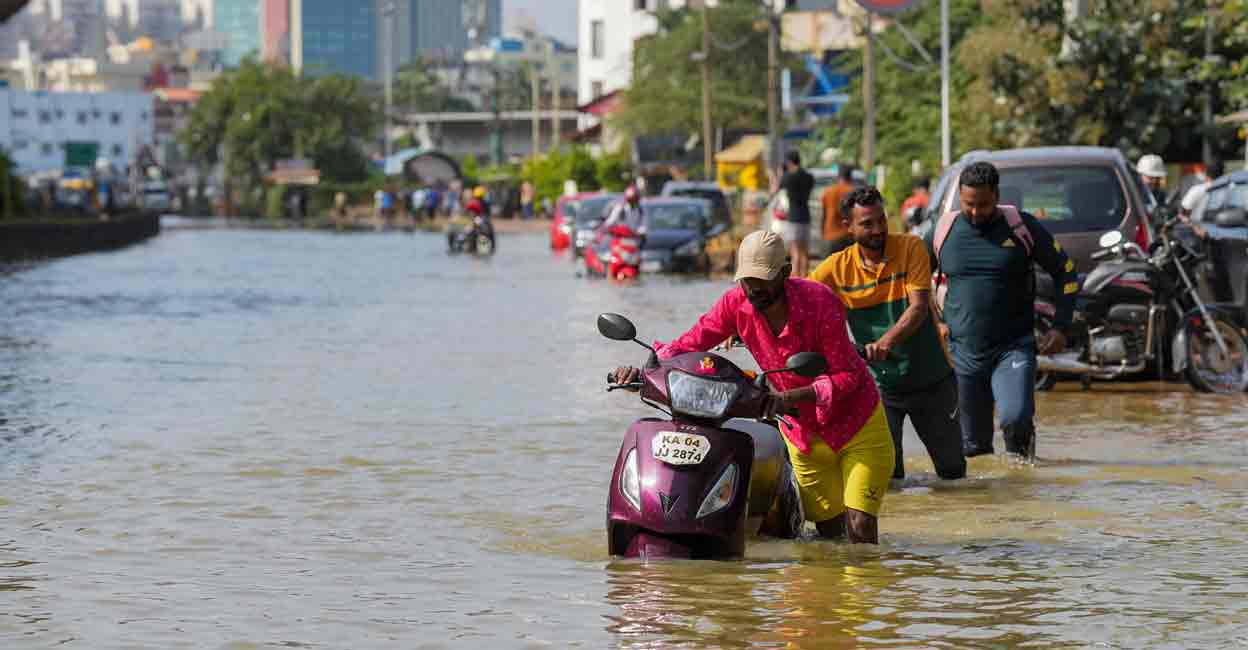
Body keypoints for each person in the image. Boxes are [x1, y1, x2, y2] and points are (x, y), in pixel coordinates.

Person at [611, 231, 893, 543]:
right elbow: (689, 345)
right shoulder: (735, 304)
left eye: (763, 281)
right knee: (829, 539)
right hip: (803, 435)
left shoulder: (820, 302)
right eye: (747, 280)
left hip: (856, 424)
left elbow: (847, 375)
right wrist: (643, 371)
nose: (754, 289)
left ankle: (867, 590)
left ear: (785, 273)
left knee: (860, 528)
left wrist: (791, 397)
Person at [810, 186, 966, 481]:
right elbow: (796, 298)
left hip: (931, 380)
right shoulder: (835, 268)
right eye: (867, 223)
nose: (878, 229)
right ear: (848, 227)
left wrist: (884, 343)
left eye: (881, 220)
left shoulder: (911, 248)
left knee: (953, 473)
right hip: (879, 388)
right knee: (887, 478)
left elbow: (918, 308)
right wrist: (743, 322)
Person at [925, 162, 1077, 460]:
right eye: (969, 204)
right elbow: (914, 284)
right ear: (960, 196)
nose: (975, 212)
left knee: (1015, 418)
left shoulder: (1022, 227)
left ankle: (1024, 482)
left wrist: (1061, 326)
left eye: (983, 204)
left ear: (996, 195)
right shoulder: (943, 231)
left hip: (1014, 348)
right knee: (974, 449)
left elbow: (1066, 272)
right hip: (964, 353)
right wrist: (936, 324)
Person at [776, 151, 815, 278]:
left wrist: (781, 173)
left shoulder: (788, 177)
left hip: (793, 218)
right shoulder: (809, 176)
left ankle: (797, 279)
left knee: (795, 253)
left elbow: (777, 188)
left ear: (789, 162)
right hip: (805, 216)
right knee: (804, 252)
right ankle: (805, 279)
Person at [821, 165, 856, 255]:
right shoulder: (854, 192)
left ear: (838, 176)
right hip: (849, 237)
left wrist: (822, 232)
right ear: (850, 176)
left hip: (831, 236)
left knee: (831, 267)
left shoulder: (828, 192)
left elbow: (824, 215)